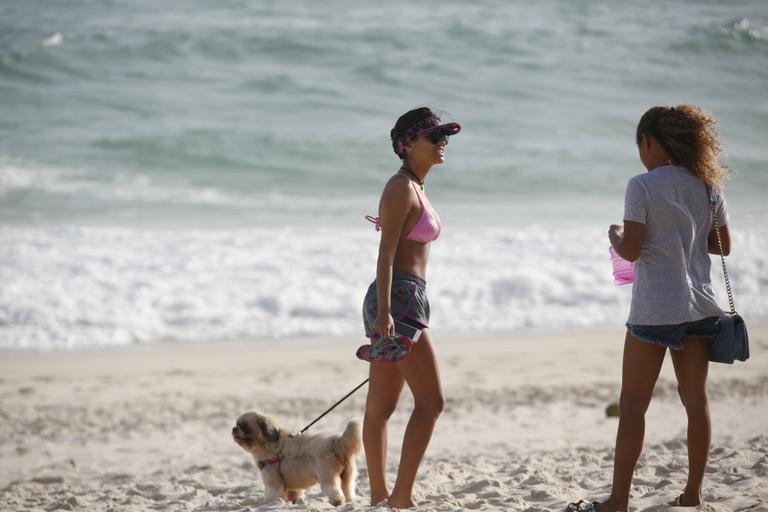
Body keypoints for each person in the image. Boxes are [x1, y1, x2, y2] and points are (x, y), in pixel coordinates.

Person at [568, 104, 731, 512]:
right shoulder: (708, 184)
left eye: (640, 145)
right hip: (699, 306)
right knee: (696, 402)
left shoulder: (642, 185)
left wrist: (616, 234)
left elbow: (633, 249)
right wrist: (683, 236)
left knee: (633, 406)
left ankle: (619, 500)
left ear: (649, 141)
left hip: (656, 309)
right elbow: (722, 245)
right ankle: (693, 494)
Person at [361, 107, 460, 508]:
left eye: (444, 137)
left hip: (406, 296)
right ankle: (399, 497)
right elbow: (385, 256)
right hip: (397, 299)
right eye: (433, 137)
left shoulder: (417, 186)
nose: (442, 143)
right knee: (431, 403)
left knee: (382, 406)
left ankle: (380, 497)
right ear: (407, 145)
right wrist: (385, 313)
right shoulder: (400, 187)